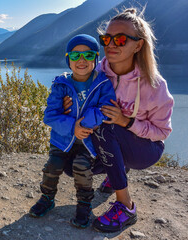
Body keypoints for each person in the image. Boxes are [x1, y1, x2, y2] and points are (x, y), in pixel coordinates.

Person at [63, 8, 174, 232]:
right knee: (68, 163)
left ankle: (126, 206)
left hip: (145, 149)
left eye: (120, 39)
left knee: (107, 127)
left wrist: (128, 122)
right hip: (110, 141)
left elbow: (162, 132)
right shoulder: (95, 74)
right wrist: (70, 108)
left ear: (138, 45)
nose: (111, 44)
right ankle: (117, 170)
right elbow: (78, 107)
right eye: (106, 38)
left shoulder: (155, 86)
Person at [29, 34, 116, 229]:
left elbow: (106, 108)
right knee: (53, 165)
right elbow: (50, 116)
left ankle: (84, 205)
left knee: (81, 166)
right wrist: (72, 127)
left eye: (88, 55)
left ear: (96, 58)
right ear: (68, 59)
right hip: (62, 140)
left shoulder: (103, 83)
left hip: (88, 140)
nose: (82, 60)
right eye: (76, 56)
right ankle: (47, 198)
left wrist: (82, 124)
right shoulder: (61, 84)